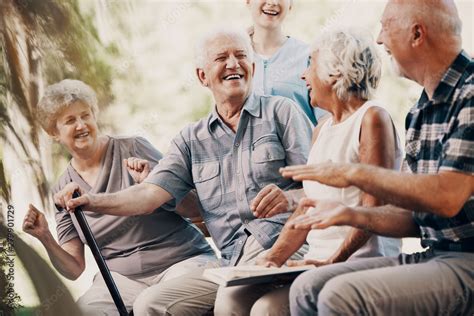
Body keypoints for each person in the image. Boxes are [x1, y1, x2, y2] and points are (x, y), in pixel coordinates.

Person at [54, 29, 313, 315]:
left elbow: (318, 188)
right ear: (203, 76)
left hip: (285, 245)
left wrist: (289, 198)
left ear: (252, 68)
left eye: (241, 56)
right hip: (230, 263)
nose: (233, 64)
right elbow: (148, 194)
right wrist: (92, 201)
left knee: (235, 302)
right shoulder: (191, 139)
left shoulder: (281, 112)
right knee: (151, 304)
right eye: (221, 58)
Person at [280, 0, 474, 314]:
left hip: (468, 258)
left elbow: (447, 197)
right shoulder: (420, 111)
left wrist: (353, 174)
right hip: (434, 253)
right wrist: (350, 214)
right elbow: (414, 219)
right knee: (307, 287)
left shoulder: (470, 94)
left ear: (416, 34)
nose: (379, 39)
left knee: (340, 296)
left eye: (385, 26)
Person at [22, 79, 215, 315]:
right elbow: (74, 268)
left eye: (86, 115)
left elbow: (194, 209)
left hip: (180, 262)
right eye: (70, 120)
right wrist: (45, 236)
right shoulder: (62, 189)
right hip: (122, 281)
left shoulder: (133, 148)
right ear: (54, 132)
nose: (81, 125)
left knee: (151, 305)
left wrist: (152, 182)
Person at [247, 27, 401, 316]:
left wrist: (332, 261)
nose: (303, 76)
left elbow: (373, 212)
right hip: (318, 263)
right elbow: (306, 209)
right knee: (235, 300)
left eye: (310, 65)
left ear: (334, 72)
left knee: (266, 310)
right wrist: (271, 260)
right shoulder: (322, 129)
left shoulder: (372, 118)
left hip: (360, 262)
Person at [247, 0, 326, 124]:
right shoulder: (233, 59)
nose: (272, 2)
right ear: (248, 1)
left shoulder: (310, 57)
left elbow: (326, 119)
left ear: (290, 5)